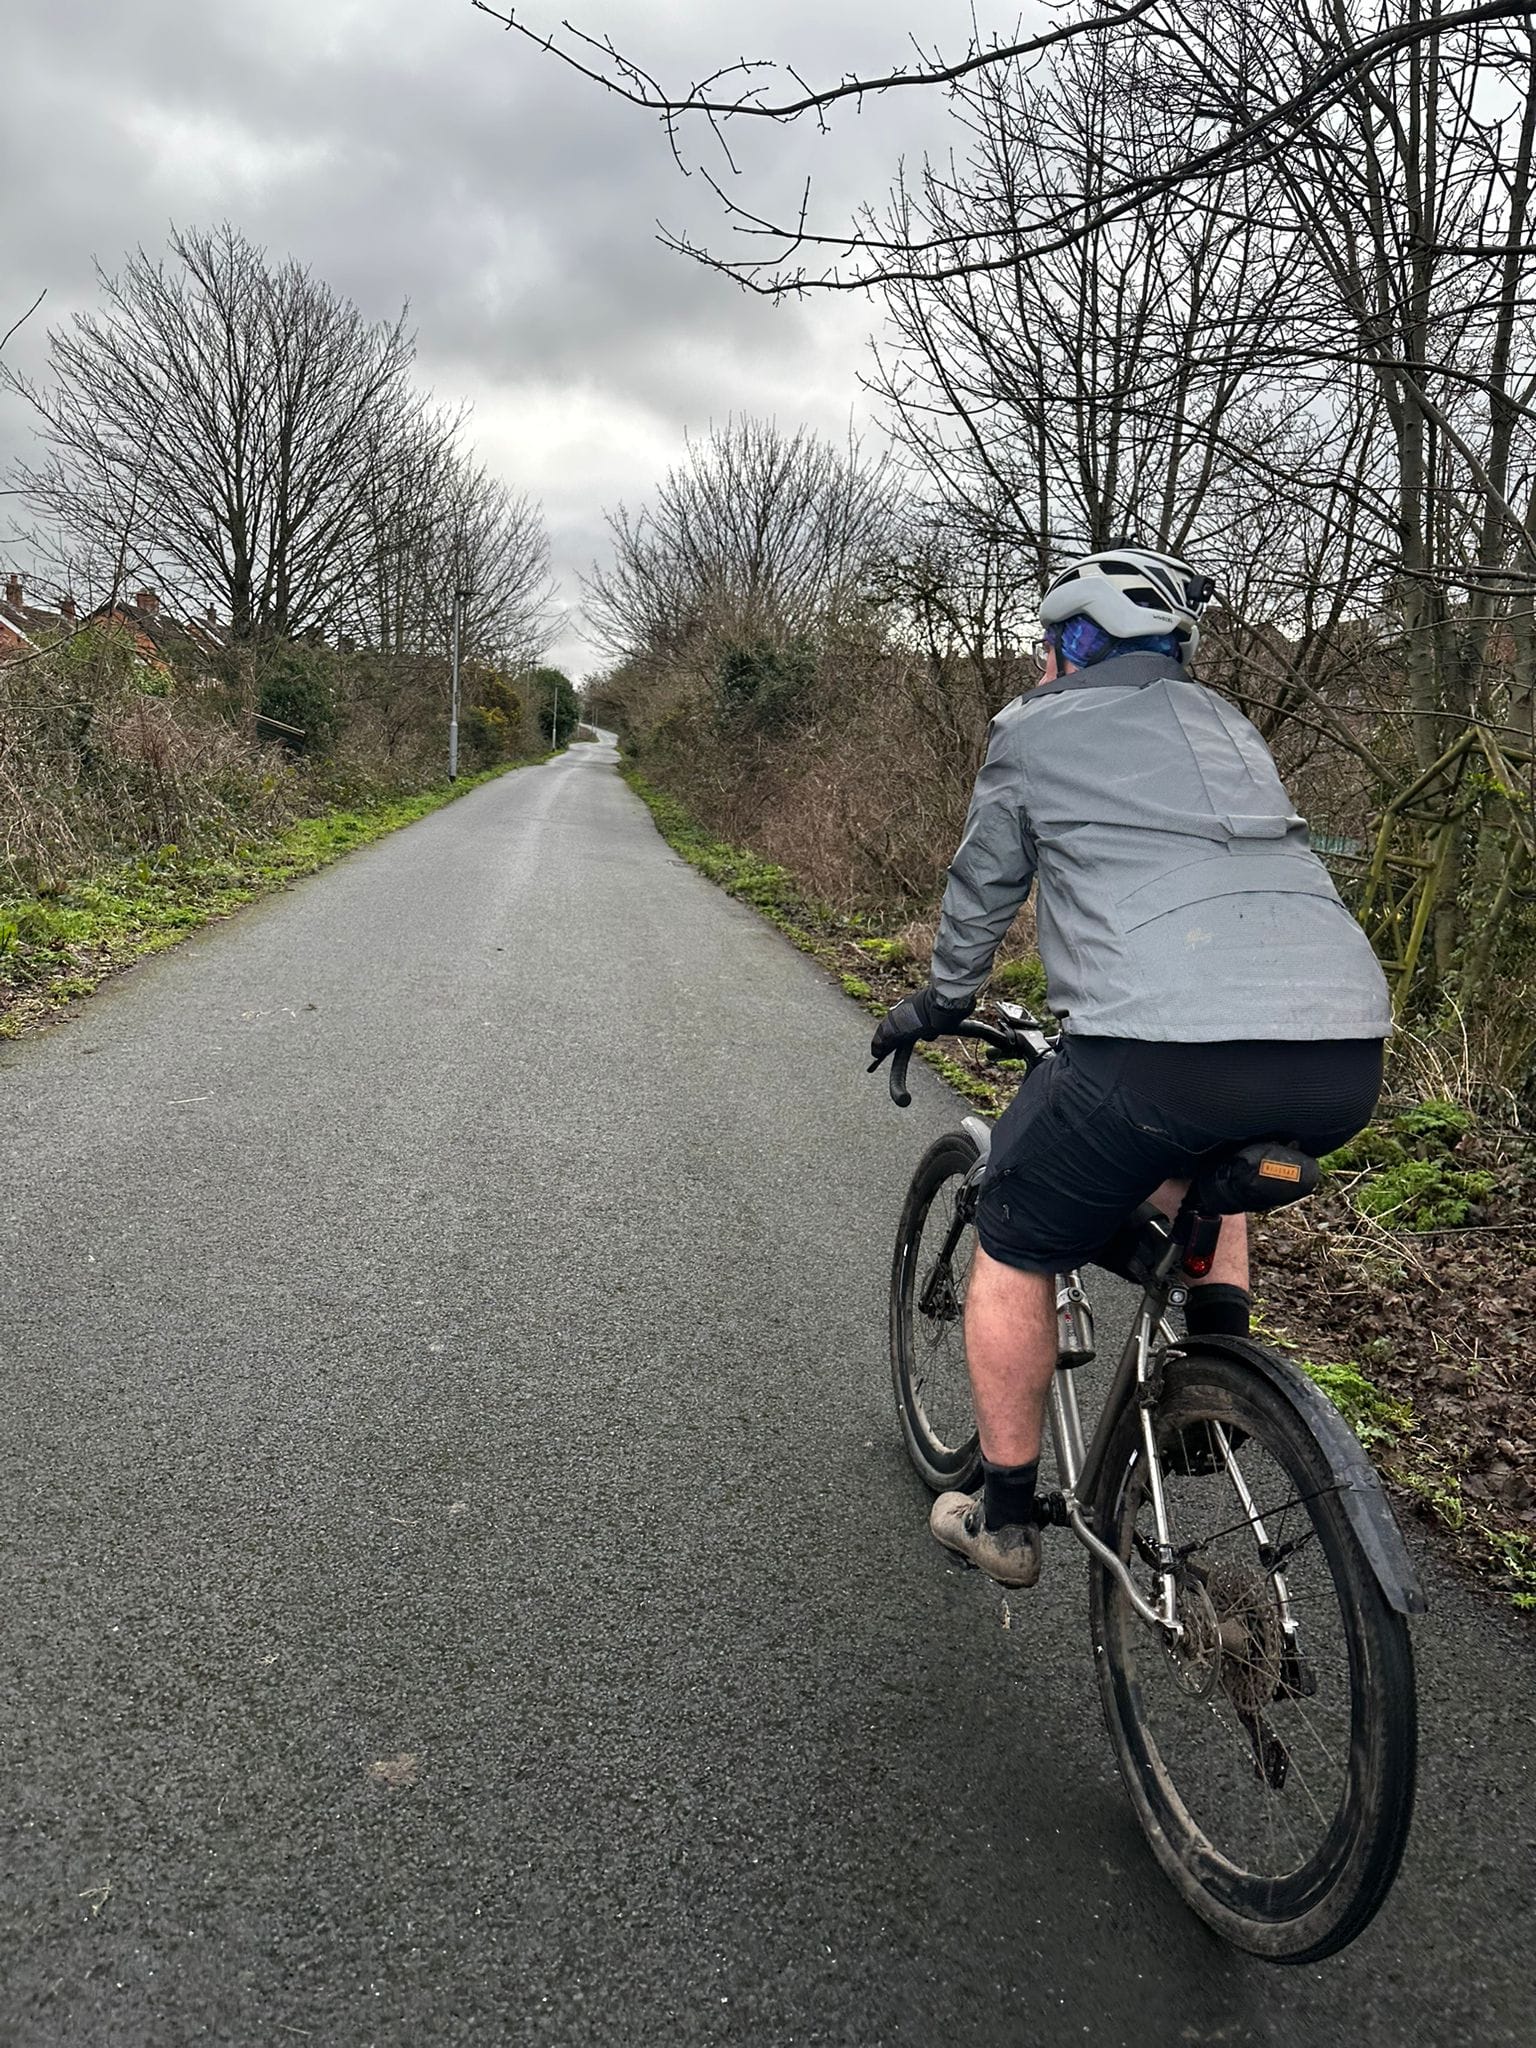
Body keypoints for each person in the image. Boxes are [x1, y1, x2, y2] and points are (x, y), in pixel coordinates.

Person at [871, 545, 1391, 1589]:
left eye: (1048, 642)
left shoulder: (1034, 730)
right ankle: (1217, 1370)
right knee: (1204, 1153)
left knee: (1015, 1230)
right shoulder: (1229, 726)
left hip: (1158, 1052)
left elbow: (984, 884)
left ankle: (1007, 1517)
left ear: (1072, 640)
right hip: (1341, 1055)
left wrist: (941, 1002)